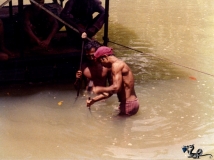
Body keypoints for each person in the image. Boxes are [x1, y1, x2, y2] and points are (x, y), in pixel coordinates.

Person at [86, 46, 139, 116]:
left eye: (100, 61)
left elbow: (116, 88)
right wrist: (93, 100)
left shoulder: (116, 66)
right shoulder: (119, 64)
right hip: (132, 103)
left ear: (105, 57)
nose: (101, 65)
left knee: (113, 125)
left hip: (128, 105)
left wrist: (98, 88)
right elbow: (111, 92)